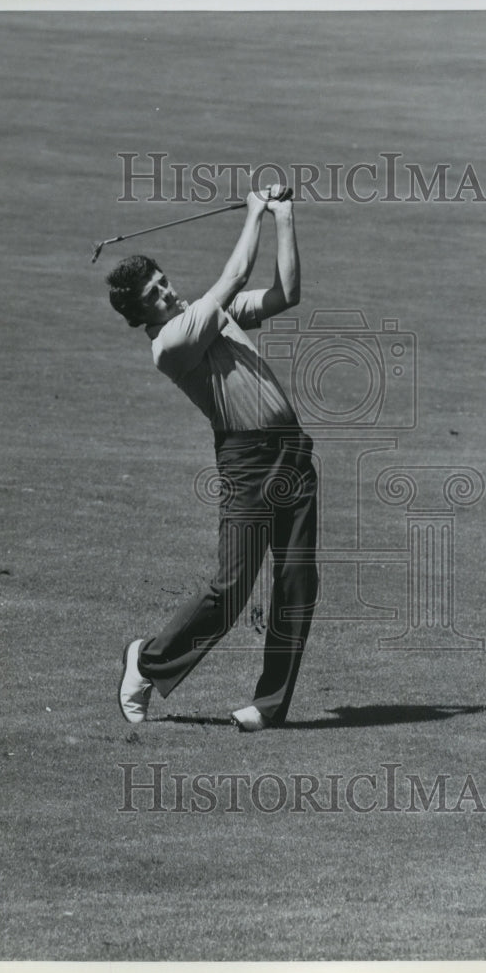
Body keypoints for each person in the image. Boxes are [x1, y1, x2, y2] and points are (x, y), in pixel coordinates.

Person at [106, 183, 318, 731]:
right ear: (140, 316)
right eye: (154, 295)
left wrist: (284, 218)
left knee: (296, 580)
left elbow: (284, 293)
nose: (166, 293)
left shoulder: (208, 313)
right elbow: (235, 278)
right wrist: (253, 213)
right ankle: (147, 660)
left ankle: (269, 706)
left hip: (291, 452)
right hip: (246, 463)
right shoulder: (172, 341)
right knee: (230, 590)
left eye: (163, 282)